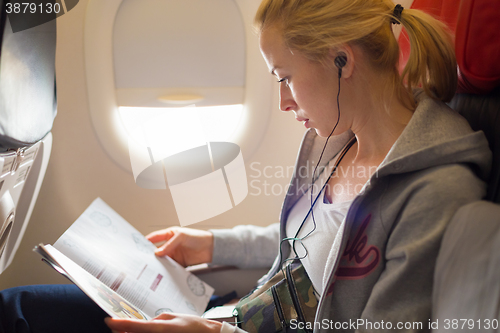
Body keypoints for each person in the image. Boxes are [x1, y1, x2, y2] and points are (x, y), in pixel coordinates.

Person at [0, 0, 492, 332]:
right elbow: (313, 244)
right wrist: (212, 243)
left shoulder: (437, 191)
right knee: (16, 309)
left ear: (342, 61)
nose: (282, 102)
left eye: (285, 78)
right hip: (238, 314)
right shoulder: (336, 141)